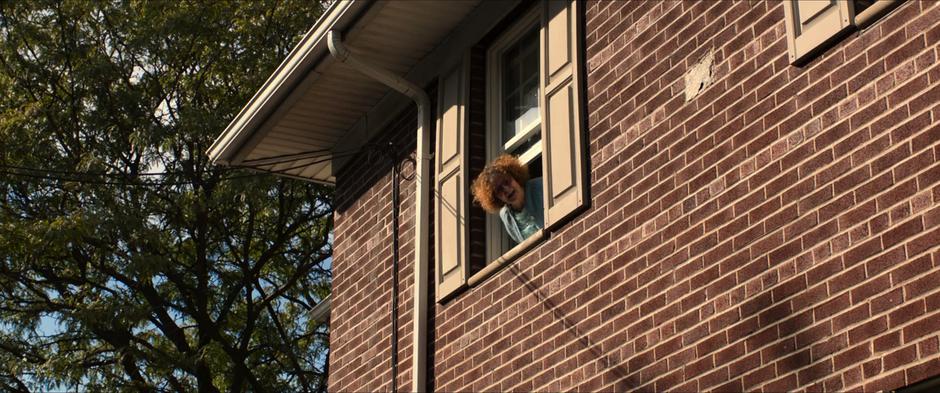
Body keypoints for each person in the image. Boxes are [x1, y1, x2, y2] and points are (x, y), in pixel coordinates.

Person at [471, 154, 543, 243]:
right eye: (499, 190)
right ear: (496, 198)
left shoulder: (540, 186)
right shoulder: (506, 216)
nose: (506, 189)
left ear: (515, 177)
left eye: (507, 181)